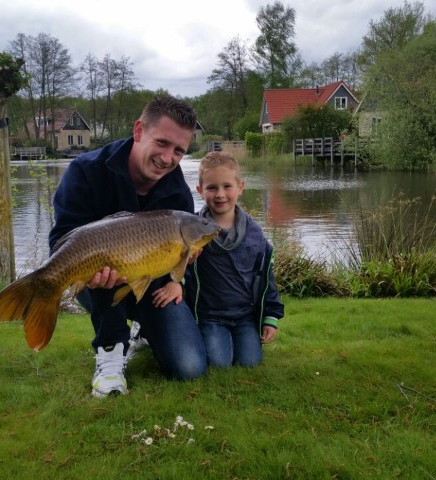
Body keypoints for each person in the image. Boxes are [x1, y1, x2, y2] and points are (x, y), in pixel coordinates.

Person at [48, 96, 206, 398]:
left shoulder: (177, 195)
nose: (167, 157)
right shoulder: (85, 171)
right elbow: (61, 241)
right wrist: (86, 274)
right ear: (138, 131)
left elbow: (181, 263)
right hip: (98, 286)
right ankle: (110, 351)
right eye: (161, 142)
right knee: (104, 280)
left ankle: (143, 331)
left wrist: (182, 277)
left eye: (179, 150)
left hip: (153, 288)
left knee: (190, 367)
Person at [180, 152, 285, 368]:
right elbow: (177, 270)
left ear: (240, 187)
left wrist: (270, 317)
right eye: (212, 187)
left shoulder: (255, 234)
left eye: (227, 186)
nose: (220, 194)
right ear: (200, 191)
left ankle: (243, 339)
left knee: (250, 362)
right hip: (211, 316)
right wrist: (182, 271)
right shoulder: (191, 231)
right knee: (219, 363)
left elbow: (266, 279)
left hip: (245, 316)